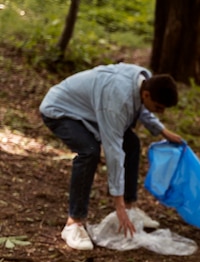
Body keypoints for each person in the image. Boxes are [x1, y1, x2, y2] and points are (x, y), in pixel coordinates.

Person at [40, 63, 183, 251]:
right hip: (60, 111)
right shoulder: (117, 102)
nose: (160, 112)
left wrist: (163, 131)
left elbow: (143, 110)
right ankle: (73, 223)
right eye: (159, 107)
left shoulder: (143, 78)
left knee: (132, 143)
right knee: (89, 152)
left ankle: (132, 208)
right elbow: (113, 151)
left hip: (91, 112)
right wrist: (118, 205)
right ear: (147, 94)